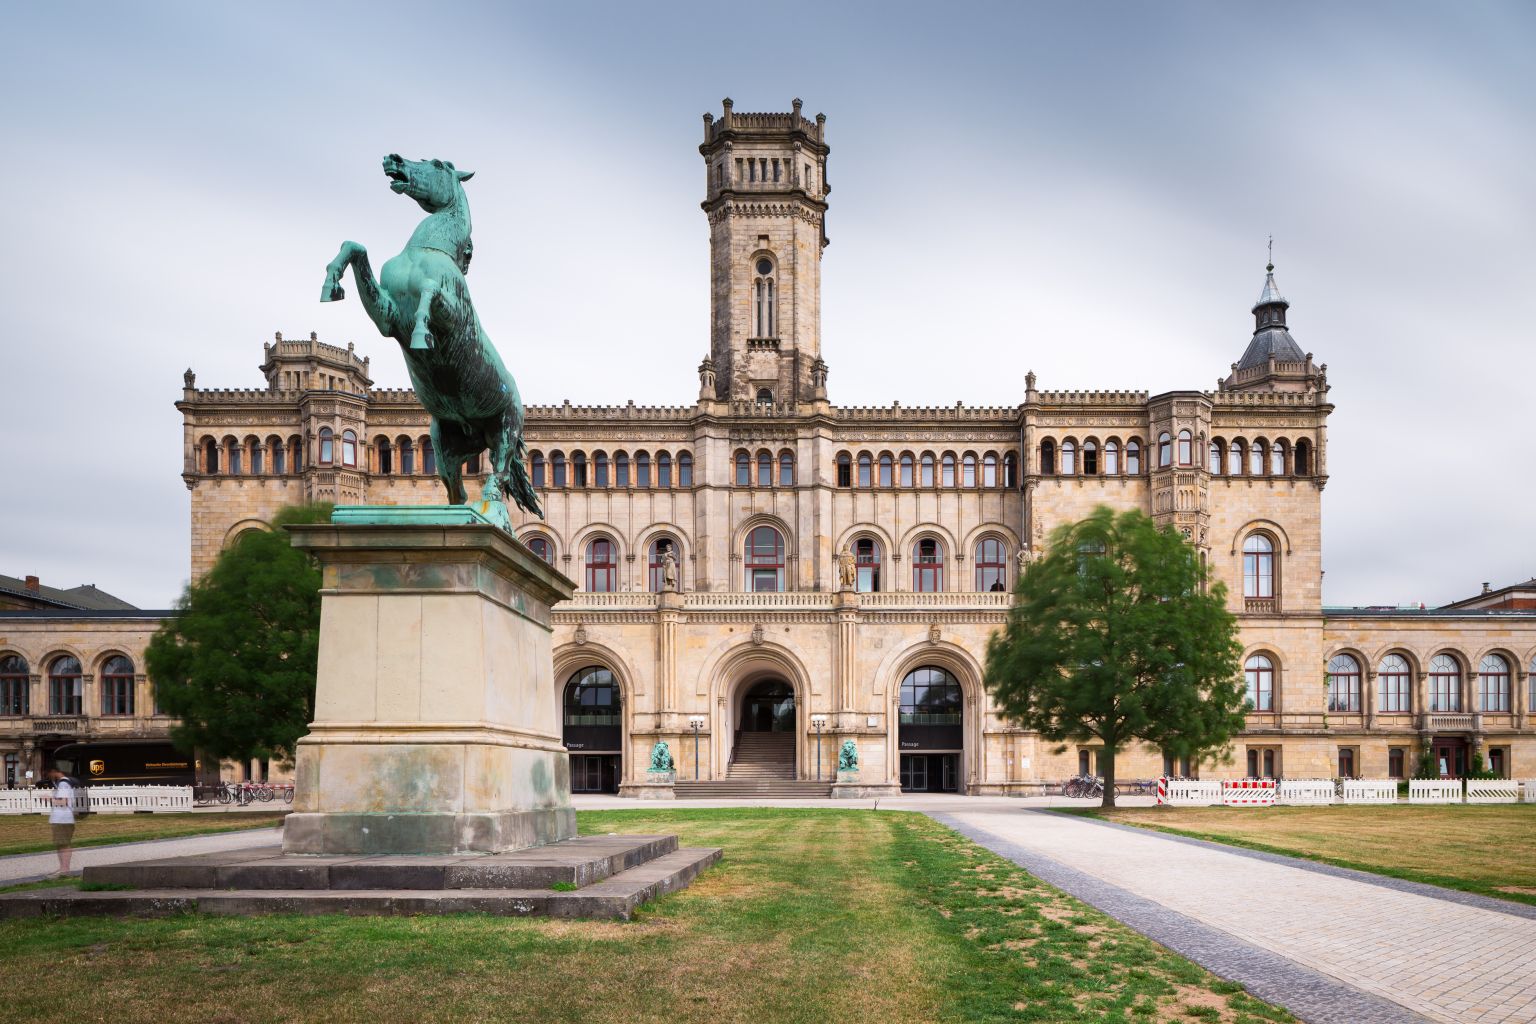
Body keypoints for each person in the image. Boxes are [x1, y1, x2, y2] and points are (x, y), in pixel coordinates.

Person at [46, 766, 76, 877]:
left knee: (63, 844)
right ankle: (63, 868)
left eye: (49, 773)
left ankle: (64, 869)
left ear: (54, 771)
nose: (49, 776)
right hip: (62, 818)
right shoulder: (63, 783)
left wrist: (48, 799)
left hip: (63, 818)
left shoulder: (63, 784)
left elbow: (63, 802)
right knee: (61, 844)